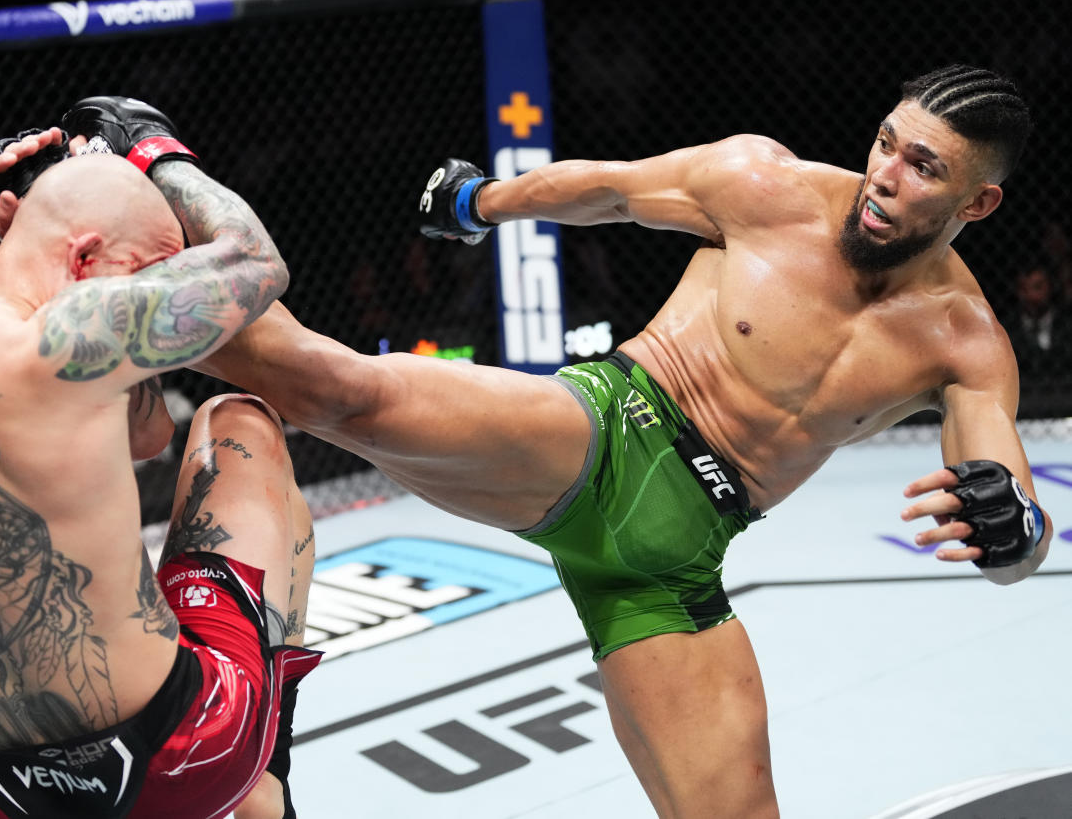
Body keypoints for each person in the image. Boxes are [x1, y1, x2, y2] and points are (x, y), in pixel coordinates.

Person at [182, 65, 1052, 817]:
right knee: (333, 387)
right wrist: (481, 201)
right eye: (886, 142)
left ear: (978, 201)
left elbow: (1011, 524)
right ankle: (136, 219)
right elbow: (610, 188)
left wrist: (1014, 529)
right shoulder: (766, 186)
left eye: (923, 166)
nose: (884, 175)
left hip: (674, 568)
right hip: (602, 433)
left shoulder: (963, 341)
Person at [0, 98, 320, 819]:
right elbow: (254, 262)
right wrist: (157, 154)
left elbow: (144, 435)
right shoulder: (75, 333)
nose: (146, 293)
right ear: (85, 259)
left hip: (2, 786)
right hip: (182, 752)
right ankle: (263, 786)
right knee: (238, 420)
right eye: (142, 273)